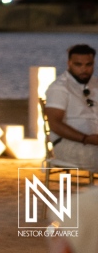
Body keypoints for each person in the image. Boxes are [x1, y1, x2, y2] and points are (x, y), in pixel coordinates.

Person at [44, 44, 98, 172]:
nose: (84, 69)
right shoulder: (60, 88)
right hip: (69, 145)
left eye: (88, 65)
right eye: (78, 65)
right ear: (69, 63)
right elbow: (55, 124)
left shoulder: (95, 83)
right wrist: (87, 139)